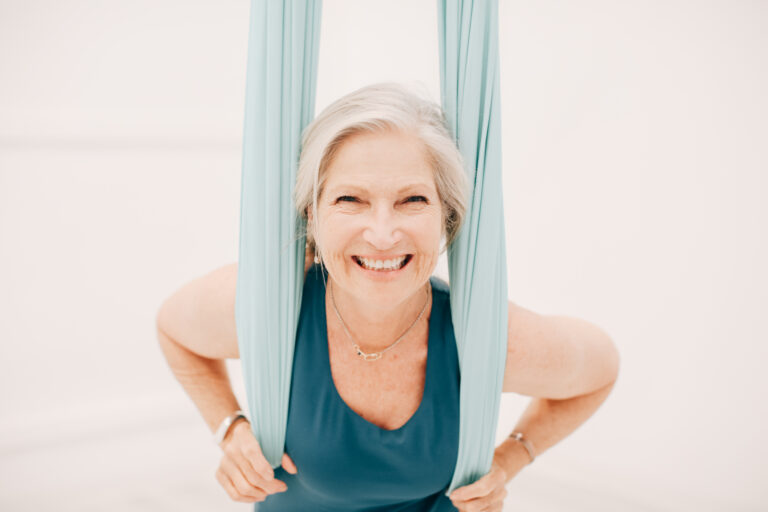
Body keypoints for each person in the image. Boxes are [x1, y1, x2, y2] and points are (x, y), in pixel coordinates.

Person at [155, 82, 620, 512]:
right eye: (350, 200)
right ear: (313, 214)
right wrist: (228, 427)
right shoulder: (273, 306)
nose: (381, 234)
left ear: (447, 217)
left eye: (412, 200)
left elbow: (599, 369)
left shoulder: (479, 335)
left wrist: (513, 456)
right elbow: (174, 329)